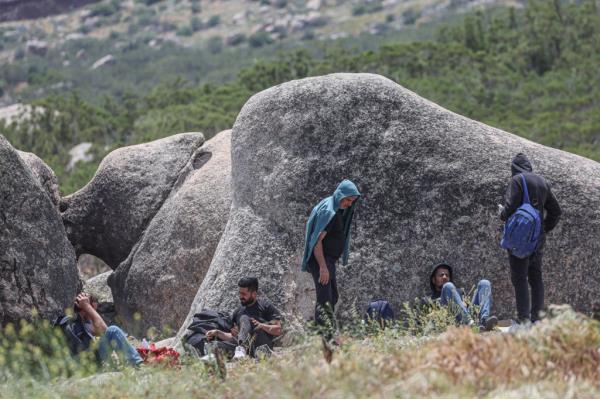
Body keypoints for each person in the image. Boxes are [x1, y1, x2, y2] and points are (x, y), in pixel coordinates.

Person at [499, 153, 561, 323]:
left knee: (519, 278)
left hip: (520, 239)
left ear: (514, 168)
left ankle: (523, 318)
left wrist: (502, 214)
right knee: (536, 277)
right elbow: (556, 211)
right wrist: (544, 229)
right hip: (537, 238)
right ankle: (537, 318)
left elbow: (510, 207)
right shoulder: (543, 182)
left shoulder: (517, 180)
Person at [300, 179, 361, 337]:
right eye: (347, 200)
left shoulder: (336, 207)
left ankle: (327, 333)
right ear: (340, 195)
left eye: (351, 201)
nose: (349, 204)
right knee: (325, 299)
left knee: (333, 296)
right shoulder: (329, 212)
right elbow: (317, 242)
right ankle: (325, 338)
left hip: (328, 260)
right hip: (321, 259)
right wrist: (322, 267)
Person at [205, 277, 282, 359]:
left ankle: (242, 350)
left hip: (261, 345)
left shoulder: (265, 306)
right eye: (240, 293)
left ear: (254, 294)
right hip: (245, 349)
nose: (241, 297)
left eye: (244, 294)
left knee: (245, 318)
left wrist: (261, 325)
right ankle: (239, 352)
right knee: (212, 345)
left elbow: (278, 330)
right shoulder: (238, 311)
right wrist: (217, 333)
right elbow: (235, 337)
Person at [71, 292, 143, 366]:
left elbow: (101, 333)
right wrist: (87, 306)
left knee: (113, 332)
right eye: (91, 308)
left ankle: (133, 360)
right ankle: (136, 363)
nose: (93, 312)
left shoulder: (86, 321)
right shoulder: (77, 322)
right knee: (113, 330)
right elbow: (104, 330)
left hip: (88, 357)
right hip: (85, 361)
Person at [428, 262, 498, 331]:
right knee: (448, 286)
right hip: (454, 321)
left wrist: (465, 304)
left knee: (484, 283)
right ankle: (469, 323)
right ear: (434, 280)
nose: (445, 277)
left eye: (447, 275)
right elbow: (426, 320)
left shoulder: (459, 292)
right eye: (441, 275)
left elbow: (467, 307)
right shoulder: (428, 300)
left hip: (470, 317)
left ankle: (484, 321)